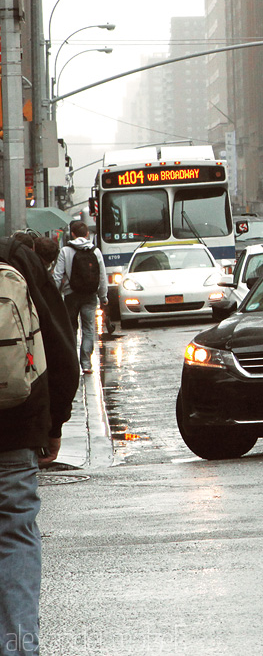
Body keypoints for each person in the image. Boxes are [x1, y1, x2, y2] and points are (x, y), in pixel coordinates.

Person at [0, 234, 78, 656]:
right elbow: (60, 344)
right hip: (17, 425)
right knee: (14, 535)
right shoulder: (18, 260)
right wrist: (56, 422)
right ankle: (18, 645)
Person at [51, 220, 108, 375]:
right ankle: (86, 364)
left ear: (72, 234)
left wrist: (54, 296)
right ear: (87, 234)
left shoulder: (65, 251)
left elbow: (57, 276)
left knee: (71, 329)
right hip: (90, 296)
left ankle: (72, 363)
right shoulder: (95, 251)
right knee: (89, 329)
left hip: (71, 296)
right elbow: (102, 276)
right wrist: (103, 297)